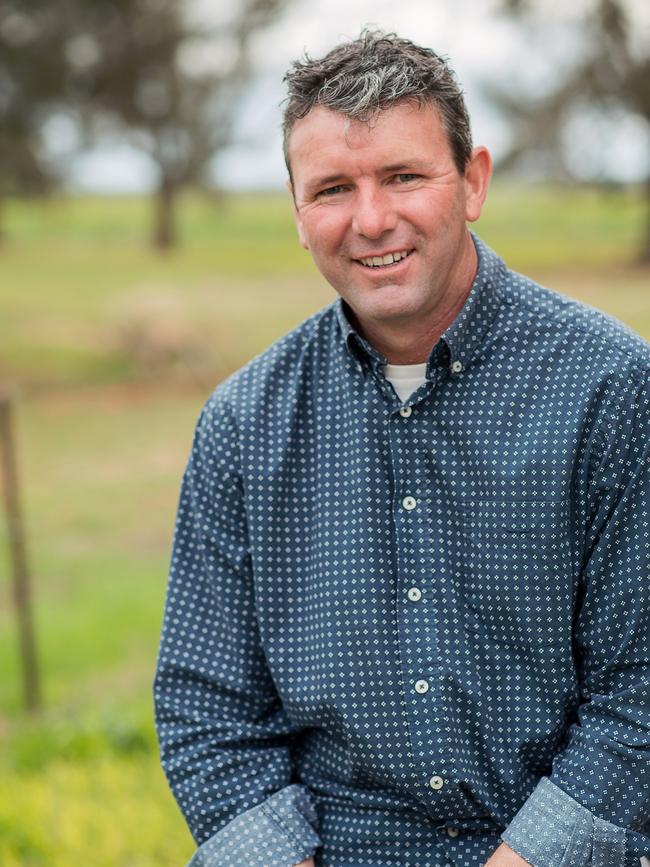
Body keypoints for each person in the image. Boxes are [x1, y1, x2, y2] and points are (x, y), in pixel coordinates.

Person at [153, 30, 650, 867]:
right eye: (333, 188)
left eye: (404, 176)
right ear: (297, 213)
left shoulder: (609, 388)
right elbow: (210, 709)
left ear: (474, 181)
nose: (372, 218)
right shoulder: (244, 422)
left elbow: (639, 693)